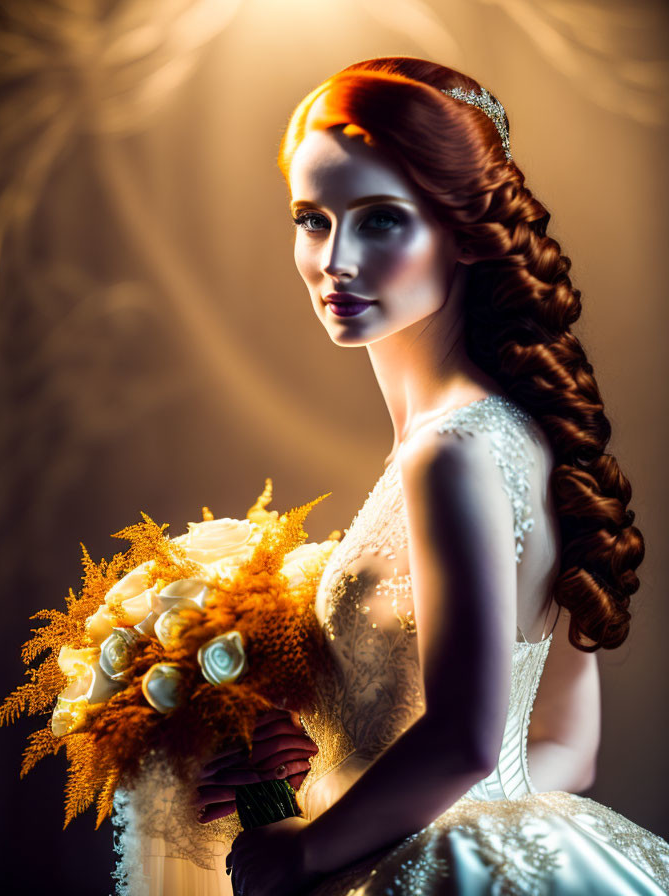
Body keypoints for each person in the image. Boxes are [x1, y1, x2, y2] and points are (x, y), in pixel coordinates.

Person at [113, 57, 669, 895]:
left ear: (463, 231)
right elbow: (567, 744)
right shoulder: (524, 432)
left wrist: (307, 850)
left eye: (379, 220)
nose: (334, 258)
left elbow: (468, 741)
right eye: (312, 219)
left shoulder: (449, 453)